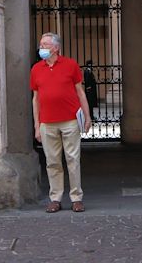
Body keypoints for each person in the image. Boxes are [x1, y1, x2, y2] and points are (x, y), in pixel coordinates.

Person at [30, 31, 92, 213]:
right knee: (52, 162)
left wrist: (87, 116)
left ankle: (76, 197)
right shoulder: (36, 69)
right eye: (41, 45)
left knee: (73, 159)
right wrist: (36, 125)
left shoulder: (71, 65)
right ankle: (55, 198)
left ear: (56, 48)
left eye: (45, 45)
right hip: (47, 122)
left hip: (70, 120)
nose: (41, 48)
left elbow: (80, 92)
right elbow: (36, 98)